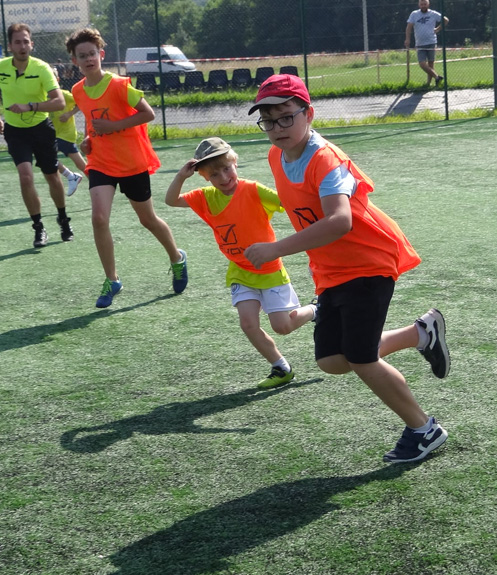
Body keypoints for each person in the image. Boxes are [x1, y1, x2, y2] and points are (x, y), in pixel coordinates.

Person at [245, 74, 451, 463]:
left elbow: (340, 220)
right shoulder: (277, 155)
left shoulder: (325, 159)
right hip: (332, 268)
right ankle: (421, 333)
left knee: (361, 358)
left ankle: (424, 429)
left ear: (308, 114)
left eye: (286, 117)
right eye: (268, 121)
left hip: (368, 262)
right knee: (332, 361)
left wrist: (277, 248)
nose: (276, 128)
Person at [165, 137, 317, 389]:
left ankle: (315, 310)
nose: (223, 177)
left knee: (283, 326)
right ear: (205, 177)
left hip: (270, 270)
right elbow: (171, 200)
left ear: (235, 162)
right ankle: (280, 367)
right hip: (240, 271)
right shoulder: (205, 198)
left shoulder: (253, 189)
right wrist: (181, 176)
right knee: (248, 323)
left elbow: (290, 204)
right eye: (214, 174)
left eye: (227, 169)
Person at [65, 27, 188, 308]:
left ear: (101, 54)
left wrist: (114, 126)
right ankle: (112, 279)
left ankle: (177, 257)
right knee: (99, 218)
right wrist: (87, 141)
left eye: (92, 53)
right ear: (74, 61)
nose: (88, 59)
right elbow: (93, 123)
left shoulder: (120, 85)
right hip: (101, 163)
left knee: (147, 220)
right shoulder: (77, 91)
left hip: (132, 162)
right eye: (81, 56)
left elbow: (148, 113)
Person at [0, 22, 74, 248]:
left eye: (26, 41)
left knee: (51, 176)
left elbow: (59, 102)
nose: (22, 46)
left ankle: (63, 219)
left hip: (41, 129)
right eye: (18, 42)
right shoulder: (0, 67)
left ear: (32, 44)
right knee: (25, 176)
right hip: (15, 132)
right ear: (10, 46)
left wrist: (31, 106)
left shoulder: (42, 68)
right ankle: (38, 228)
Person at [49, 65, 86, 197]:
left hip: (65, 134)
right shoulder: (42, 97)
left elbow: (82, 103)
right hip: (53, 134)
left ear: (57, 79)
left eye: (51, 78)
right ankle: (72, 177)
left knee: (81, 164)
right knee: (46, 157)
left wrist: (69, 114)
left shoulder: (65, 95)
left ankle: (99, 184)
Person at [404, 0, 449, 87]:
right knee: (422, 63)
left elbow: (446, 20)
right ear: (419, 5)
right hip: (420, 43)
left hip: (431, 42)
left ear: (428, 4)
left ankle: (428, 84)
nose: (423, 6)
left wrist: (438, 29)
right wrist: (407, 39)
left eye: (425, 4)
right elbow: (409, 27)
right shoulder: (414, 14)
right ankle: (437, 77)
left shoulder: (433, 13)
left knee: (431, 64)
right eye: (421, 4)